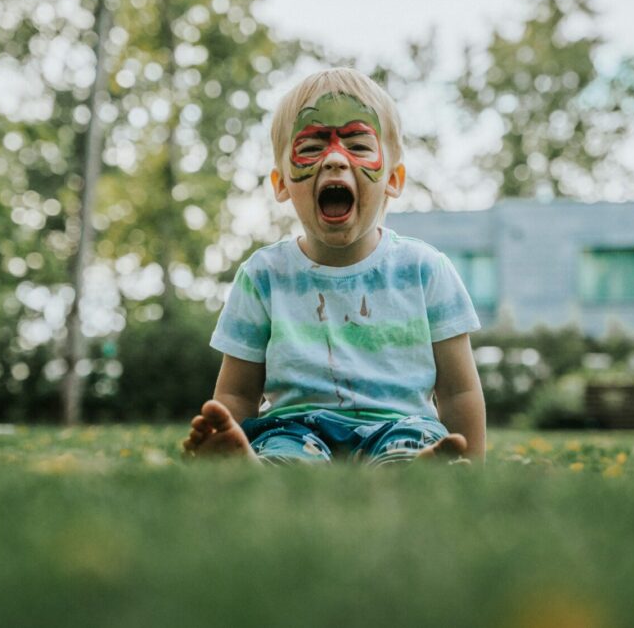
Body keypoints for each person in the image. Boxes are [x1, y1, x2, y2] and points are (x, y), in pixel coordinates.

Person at [182, 68, 486, 465]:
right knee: (282, 452)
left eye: (358, 145)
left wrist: (474, 464)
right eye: (311, 148)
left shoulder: (425, 271)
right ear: (280, 184)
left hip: (401, 424)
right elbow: (237, 393)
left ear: (393, 179)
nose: (335, 160)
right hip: (294, 427)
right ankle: (253, 470)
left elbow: (459, 391)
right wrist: (228, 430)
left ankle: (414, 471)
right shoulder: (262, 277)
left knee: (412, 445)